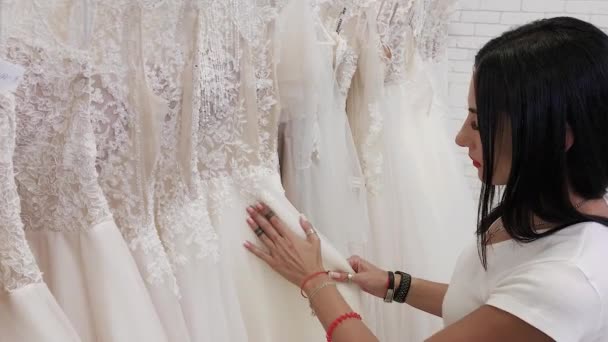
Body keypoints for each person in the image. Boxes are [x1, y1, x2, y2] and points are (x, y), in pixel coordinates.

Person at [243, 17, 608, 342]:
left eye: (479, 125)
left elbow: (525, 304)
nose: (461, 138)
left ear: (559, 138)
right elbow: (490, 303)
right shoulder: (548, 211)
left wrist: (314, 281)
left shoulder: (570, 279)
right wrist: (394, 285)